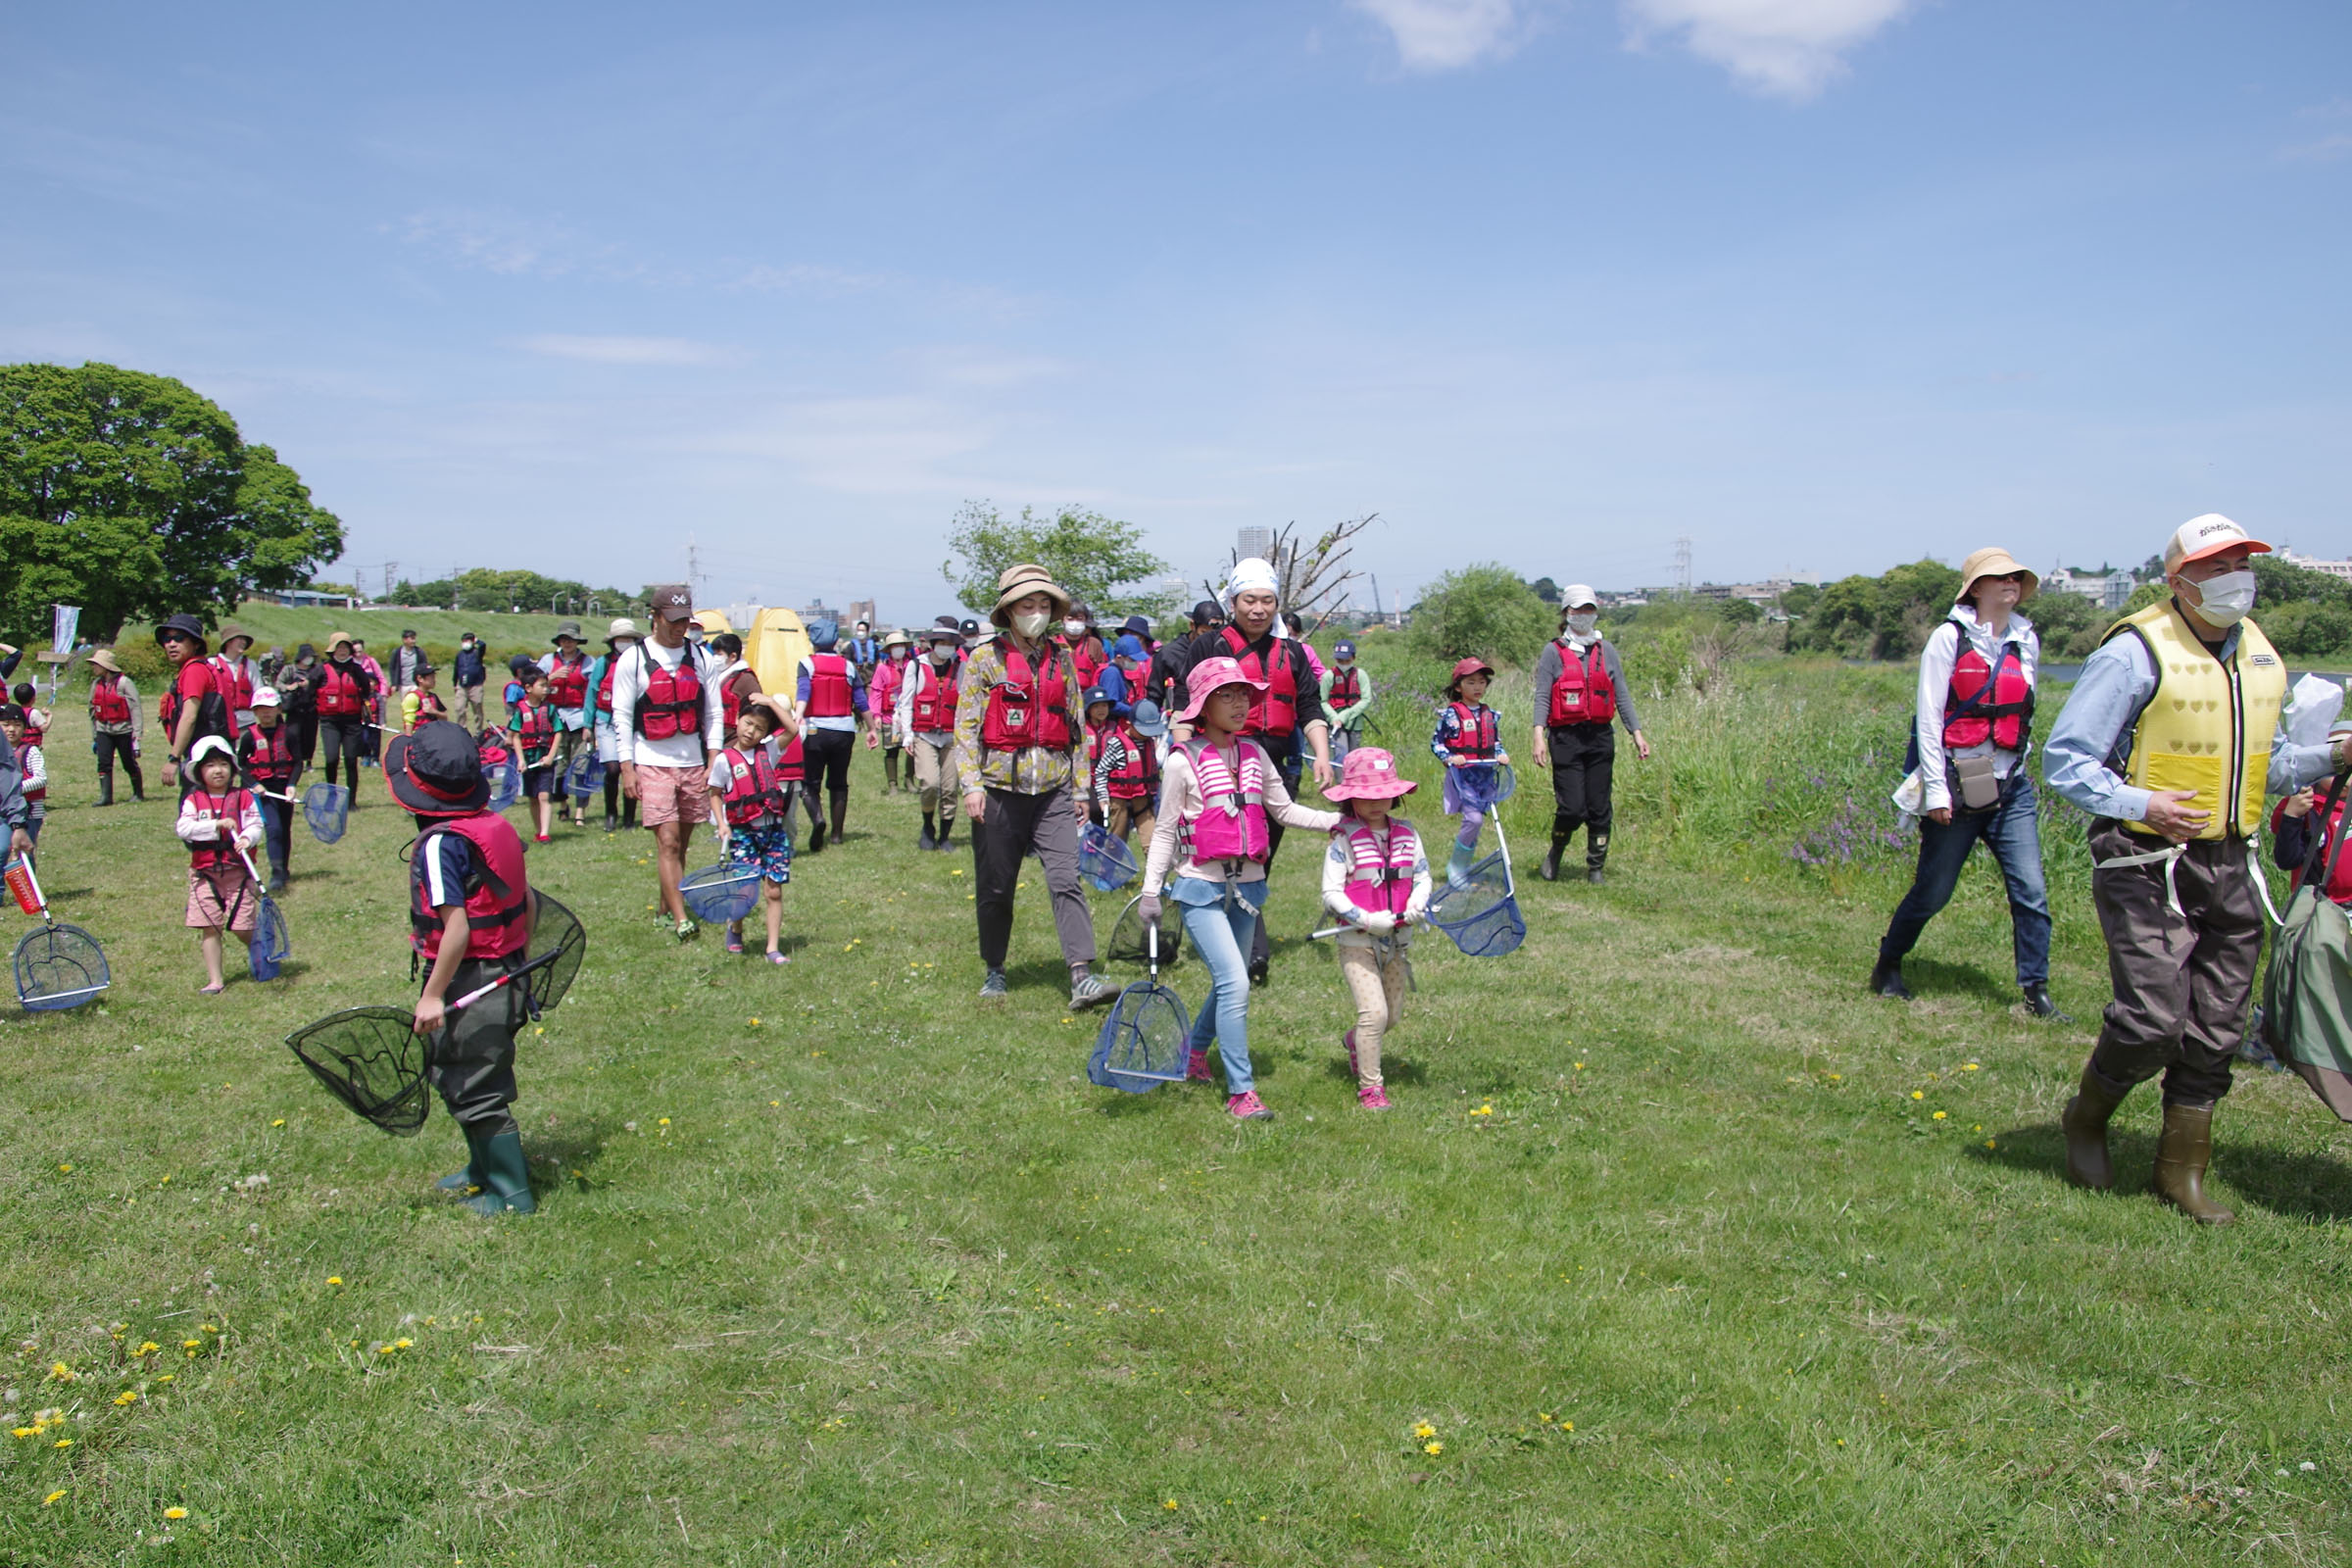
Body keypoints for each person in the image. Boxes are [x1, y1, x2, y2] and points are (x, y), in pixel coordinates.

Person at [2043, 514, 2345, 1226]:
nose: (2236, 577)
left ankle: (2181, 1173)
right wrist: (2141, 800)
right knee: (2151, 1020)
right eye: (2217, 566)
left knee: (2217, 1027)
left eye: (2243, 561)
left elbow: (2266, 770)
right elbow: (2065, 759)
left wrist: (2334, 757)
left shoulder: (2260, 657)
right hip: (2146, 858)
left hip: (2231, 860)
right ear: (2179, 582)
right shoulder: (2134, 653)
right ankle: (2086, 1118)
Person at [1138, 656, 1342, 1119]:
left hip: (1247, 889)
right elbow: (1166, 830)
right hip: (1199, 889)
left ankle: (1193, 1054)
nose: (1239, 703)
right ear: (1203, 706)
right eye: (1226, 695)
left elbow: (1285, 811)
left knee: (1230, 982)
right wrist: (1152, 892)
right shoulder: (1180, 761)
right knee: (1234, 981)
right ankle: (1241, 1092)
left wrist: (1338, 821)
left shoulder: (1254, 753)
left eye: (1244, 694)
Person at [1871, 549, 2062, 1016]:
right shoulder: (1947, 639)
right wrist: (1936, 790)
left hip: (2010, 786)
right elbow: (1930, 719)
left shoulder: (2026, 639)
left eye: (2016, 577)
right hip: (1957, 784)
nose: (2010, 584)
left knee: (2031, 890)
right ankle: (1889, 962)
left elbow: (2026, 711)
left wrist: (2020, 763)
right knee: (1933, 891)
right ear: (1976, 588)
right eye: (1999, 578)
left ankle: (2035, 991)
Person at [387, 722, 538, 1216]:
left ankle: (513, 1194)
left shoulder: (438, 845)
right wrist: (518, 955)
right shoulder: (494, 825)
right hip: (507, 971)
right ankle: (482, 1168)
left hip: (474, 978)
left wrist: (432, 995)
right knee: (459, 1070)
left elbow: (456, 930)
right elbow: (529, 899)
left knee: (476, 1084)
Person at [1162, 558, 1336, 982]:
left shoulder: (1292, 653)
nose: (1258, 609)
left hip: (1273, 762)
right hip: (1216, 760)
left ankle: (1244, 946)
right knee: (1216, 852)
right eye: (1249, 600)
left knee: (1259, 854)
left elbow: (1309, 708)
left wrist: (1324, 757)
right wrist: (1185, 754)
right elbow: (1186, 701)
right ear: (1234, 601)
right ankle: (1243, 952)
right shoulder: (1209, 645)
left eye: (1267, 601)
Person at [953, 563, 1114, 1008]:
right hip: (998, 791)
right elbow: (965, 730)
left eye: (1045, 605)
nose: (1038, 612)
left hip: (1054, 791)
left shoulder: (1062, 658)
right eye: (1029, 605)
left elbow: (1076, 726)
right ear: (1009, 610)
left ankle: (1081, 974)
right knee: (997, 885)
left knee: (1066, 879)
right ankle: (995, 968)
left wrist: (1082, 790)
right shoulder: (984, 660)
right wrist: (971, 786)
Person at [1319, 748, 1433, 1111]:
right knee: (1375, 1014)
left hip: (1397, 941)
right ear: (1351, 798)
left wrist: (1417, 903)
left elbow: (1423, 875)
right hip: (1358, 940)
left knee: (1393, 1016)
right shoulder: (1342, 841)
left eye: (1383, 794)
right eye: (1366, 796)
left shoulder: (1407, 834)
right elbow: (1331, 893)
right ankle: (1371, 1087)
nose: (1376, 803)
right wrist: (1366, 920)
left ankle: (1357, 1042)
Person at [611, 585, 725, 941]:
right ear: (655, 617)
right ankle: (681, 920)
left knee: (682, 844)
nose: (680, 628)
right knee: (669, 842)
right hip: (651, 759)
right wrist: (627, 767)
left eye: (685, 622)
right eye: (672, 621)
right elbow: (621, 714)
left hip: (692, 760)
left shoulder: (702, 657)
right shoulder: (633, 659)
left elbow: (714, 712)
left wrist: (713, 759)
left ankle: (665, 907)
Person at [1529, 586, 1650, 884]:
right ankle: (1556, 851)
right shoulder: (1553, 651)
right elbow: (1543, 696)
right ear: (1566, 613)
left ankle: (1595, 867)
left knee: (1599, 807)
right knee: (1572, 807)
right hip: (1565, 738)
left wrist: (1636, 732)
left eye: (1588, 609)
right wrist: (1538, 735)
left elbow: (1621, 694)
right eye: (1577, 610)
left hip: (1599, 737)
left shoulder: (1606, 650)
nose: (1583, 615)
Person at [709, 695, 796, 963]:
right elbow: (714, 793)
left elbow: (792, 730)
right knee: (746, 891)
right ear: (737, 720)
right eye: (748, 723)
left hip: (773, 832)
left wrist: (771, 703)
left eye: (759, 729)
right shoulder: (725, 760)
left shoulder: (769, 751)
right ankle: (735, 928)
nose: (751, 732)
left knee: (774, 890)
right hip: (744, 833)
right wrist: (722, 824)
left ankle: (772, 948)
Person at [175, 735, 264, 995]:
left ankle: (261, 953)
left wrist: (248, 838)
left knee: (241, 925)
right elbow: (184, 828)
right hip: (205, 875)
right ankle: (216, 980)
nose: (218, 770)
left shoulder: (244, 797)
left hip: (238, 872)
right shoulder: (193, 800)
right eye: (210, 765)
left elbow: (256, 825)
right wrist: (216, 824)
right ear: (199, 771)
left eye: (223, 764)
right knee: (209, 926)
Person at [1433, 656, 1510, 883]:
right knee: (1473, 820)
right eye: (1471, 682)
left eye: (1481, 682)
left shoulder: (1490, 715)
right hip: (1463, 776)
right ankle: (1456, 868)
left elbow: (1495, 742)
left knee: (1478, 820)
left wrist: (1501, 754)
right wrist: (1449, 758)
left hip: (1485, 775)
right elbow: (1437, 743)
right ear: (1458, 687)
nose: (1477, 687)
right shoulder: (1450, 715)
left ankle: (1464, 867)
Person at [796, 618, 867, 853]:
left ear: (812, 640)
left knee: (809, 782)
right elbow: (860, 700)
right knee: (839, 783)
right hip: (844, 731)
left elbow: (804, 692)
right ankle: (836, 835)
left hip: (815, 729)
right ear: (836, 640)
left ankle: (818, 818)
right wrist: (873, 728)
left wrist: (797, 715)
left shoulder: (806, 664)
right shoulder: (848, 666)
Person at [900, 624, 961, 852]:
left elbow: (966, 703)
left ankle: (945, 836)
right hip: (924, 735)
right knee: (930, 783)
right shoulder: (916, 666)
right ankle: (927, 827)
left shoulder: (960, 667)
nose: (946, 648)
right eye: (942, 643)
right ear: (933, 644)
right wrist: (907, 735)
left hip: (951, 736)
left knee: (949, 787)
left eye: (950, 644)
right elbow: (905, 702)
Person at [237, 687, 299, 893]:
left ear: (279, 709)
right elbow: (240, 766)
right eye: (261, 708)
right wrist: (253, 784)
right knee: (273, 829)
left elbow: (297, 762)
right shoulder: (249, 737)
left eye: (270, 708)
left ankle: (285, 868)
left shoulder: (289, 733)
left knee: (285, 828)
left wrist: (291, 785)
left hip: (283, 789)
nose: (266, 712)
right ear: (254, 711)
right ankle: (276, 871)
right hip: (262, 791)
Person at [307, 632, 376, 803]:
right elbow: (310, 693)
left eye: (346, 647)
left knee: (351, 760)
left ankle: (351, 800)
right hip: (329, 721)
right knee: (331, 759)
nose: (343, 651)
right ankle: (331, 796)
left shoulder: (356, 670)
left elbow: (366, 690)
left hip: (352, 721)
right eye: (339, 647)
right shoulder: (321, 670)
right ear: (333, 650)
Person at [587, 618, 642, 832]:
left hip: (632, 721)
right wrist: (587, 724)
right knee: (612, 768)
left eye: (629, 639)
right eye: (621, 639)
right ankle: (611, 812)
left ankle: (630, 816)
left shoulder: (640, 661)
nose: (624, 642)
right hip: (607, 720)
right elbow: (592, 693)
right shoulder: (603, 663)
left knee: (632, 768)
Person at [1088, 684, 1158, 845]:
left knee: (1152, 842)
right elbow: (1101, 771)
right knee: (1116, 843)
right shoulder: (1117, 743)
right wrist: (1103, 797)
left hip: (1143, 799)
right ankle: (1107, 870)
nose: (1146, 735)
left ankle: (1155, 870)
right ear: (1130, 724)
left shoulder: (1149, 743)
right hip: (1118, 800)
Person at [542, 622, 594, 827]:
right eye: (564, 639)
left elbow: (593, 693)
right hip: (555, 720)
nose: (567, 642)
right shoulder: (548, 661)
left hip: (580, 719)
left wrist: (591, 724)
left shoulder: (588, 662)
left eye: (571, 639)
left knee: (581, 765)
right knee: (559, 765)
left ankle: (581, 811)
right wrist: (551, 677)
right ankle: (563, 805)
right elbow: (532, 685)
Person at [86, 648, 146, 806]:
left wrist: (137, 733)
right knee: (103, 762)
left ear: (106, 667)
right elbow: (92, 710)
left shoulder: (124, 683)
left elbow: (135, 707)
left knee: (128, 762)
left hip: (123, 730)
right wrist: (94, 733)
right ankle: (106, 797)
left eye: (96, 665)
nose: (94, 668)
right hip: (103, 730)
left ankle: (138, 793)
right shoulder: (96, 684)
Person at [508, 668, 559, 844]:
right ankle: (538, 831)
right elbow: (515, 736)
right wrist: (521, 759)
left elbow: (558, 733)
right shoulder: (520, 710)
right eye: (542, 685)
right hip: (529, 760)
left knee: (544, 795)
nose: (546, 689)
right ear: (528, 688)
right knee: (533, 798)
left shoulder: (550, 709)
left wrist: (551, 756)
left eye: (547, 685)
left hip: (545, 759)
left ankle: (545, 833)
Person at [866, 630, 912, 794]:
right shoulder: (882, 668)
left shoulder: (912, 666)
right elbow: (876, 692)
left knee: (911, 748)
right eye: (895, 646)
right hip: (889, 716)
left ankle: (909, 779)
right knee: (891, 750)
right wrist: (876, 715)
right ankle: (892, 783)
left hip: (909, 714)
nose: (898, 649)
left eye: (901, 646)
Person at [1, 705, 46, 849]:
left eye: (17, 725)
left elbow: (41, 778)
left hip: (31, 812)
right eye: (6, 725)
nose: (11, 730)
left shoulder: (31, 751)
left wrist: (14, 789)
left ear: (25, 727)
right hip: (4, 811)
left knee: (25, 849)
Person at [1321, 638, 1371, 766]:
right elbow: (1323, 701)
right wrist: (1334, 718)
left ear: (1353, 658)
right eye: (1340, 660)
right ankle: (1340, 783)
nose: (1343, 663)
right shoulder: (1328, 676)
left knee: (1355, 758)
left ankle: (1355, 784)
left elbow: (1366, 699)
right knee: (1340, 756)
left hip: (1355, 723)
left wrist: (1346, 715)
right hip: (1335, 724)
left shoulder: (1361, 675)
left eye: (1347, 660)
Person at [276, 643, 320, 774]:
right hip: (294, 708)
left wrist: (310, 683)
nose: (309, 659)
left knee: (310, 736)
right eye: (307, 656)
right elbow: (278, 683)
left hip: (312, 708)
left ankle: (308, 761)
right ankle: (294, 760)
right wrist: (289, 687)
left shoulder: (316, 670)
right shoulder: (289, 669)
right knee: (293, 734)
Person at [351, 638, 389, 767]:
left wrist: (383, 695)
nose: (358, 654)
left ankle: (375, 758)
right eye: (355, 652)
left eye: (360, 651)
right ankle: (364, 756)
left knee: (374, 737)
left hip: (373, 699)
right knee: (363, 735)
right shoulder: (349, 663)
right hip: (358, 699)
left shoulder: (371, 661)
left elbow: (381, 678)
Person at [1065, 605, 1110, 692]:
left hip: (1087, 696)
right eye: (1070, 619)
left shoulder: (1094, 644)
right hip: (1060, 698)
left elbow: (1101, 671)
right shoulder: (1053, 643)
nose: (1075, 622)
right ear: (1062, 619)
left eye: (1079, 619)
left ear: (1085, 620)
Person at [453, 631, 488, 733]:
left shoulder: (477, 652)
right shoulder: (460, 654)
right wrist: (454, 683)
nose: (465, 643)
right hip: (462, 686)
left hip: (476, 685)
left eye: (467, 641)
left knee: (477, 709)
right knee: (460, 708)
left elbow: (483, 645)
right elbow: (456, 669)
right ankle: (462, 730)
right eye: (463, 641)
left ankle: (478, 731)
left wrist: (476, 640)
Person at [401, 664, 448, 731]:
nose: (434, 679)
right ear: (420, 679)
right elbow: (409, 721)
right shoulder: (412, 697)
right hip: (419, 737)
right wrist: (409, 739)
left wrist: (435, 712)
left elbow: (445, 718)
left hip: (434, 736)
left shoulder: (433, 696)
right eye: (431, 677)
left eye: (434, 676)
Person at [390, 628, 425, 693]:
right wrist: (394, 684)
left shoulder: (419, 652)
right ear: (404, 640)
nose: (414, 641)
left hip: (416, 684)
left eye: (414, 638)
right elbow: (392, 669)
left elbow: (424, 666)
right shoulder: (397, 652)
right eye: (412, 638)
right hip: (403, 685)